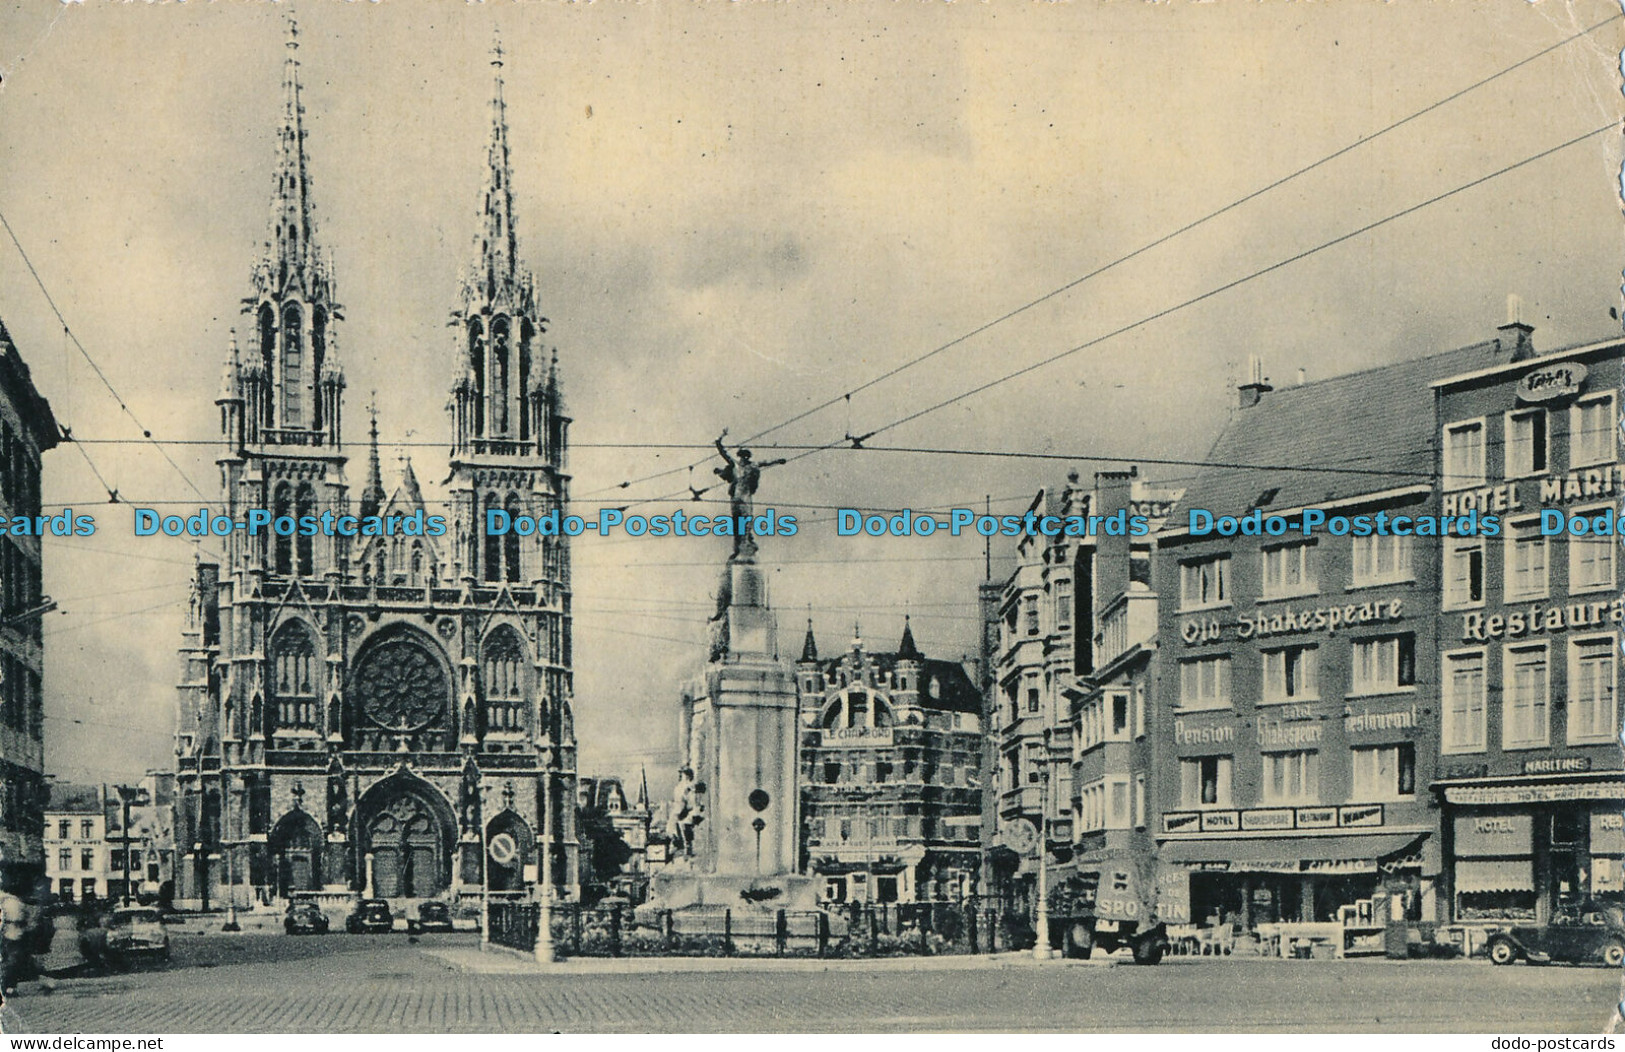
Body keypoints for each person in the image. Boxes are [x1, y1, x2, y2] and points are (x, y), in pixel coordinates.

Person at [0, 884, 29, 994]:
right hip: (12, 934)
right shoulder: (14, 902)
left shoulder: (7, 900)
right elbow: (20, 919)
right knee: (12, 961)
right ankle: (9, 986)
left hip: (7, 933)